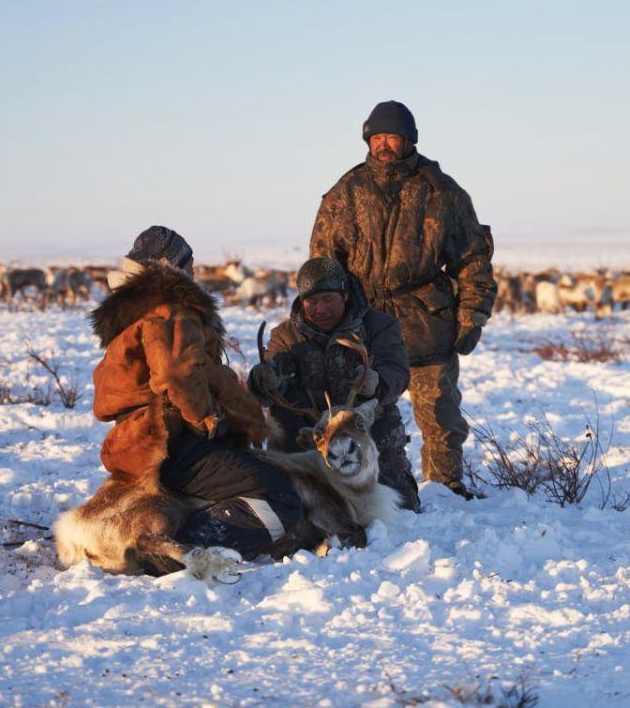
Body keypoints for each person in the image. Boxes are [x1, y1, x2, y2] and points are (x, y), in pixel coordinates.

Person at [310, 101, 496, 498]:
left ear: (408, 139)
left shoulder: (441, 191)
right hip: (364, 322)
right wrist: (325, 318)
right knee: (361, 411)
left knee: (440, 413)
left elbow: (472, 259)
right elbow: (323, 265)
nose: (383, 145)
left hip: (426, 317)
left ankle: (446, 487)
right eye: (376, 137)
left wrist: (472, 314)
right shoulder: (346, 192)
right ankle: (365, 486)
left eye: (391, 136)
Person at [90, 226, 302, 559]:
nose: (193, 271)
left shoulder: (133, 310)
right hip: (174, 441)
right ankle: (173, 551)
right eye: (188, 262)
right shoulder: (168, 307)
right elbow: (176, 372)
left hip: (138, 442)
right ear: (171, 264)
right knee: (282, 501)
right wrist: (209, 420)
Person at [247, 257, 419, 511]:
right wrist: (263, 381)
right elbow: (271, 377)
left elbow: (397, 371)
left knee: (400, 506)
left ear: (345, 295)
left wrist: (378, 382)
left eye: (328, 299)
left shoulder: (379, 326)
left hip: (364, 428)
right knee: (288, 505)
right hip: (307, 436)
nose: (320, 309)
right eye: (312, 302)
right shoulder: (285, 336)